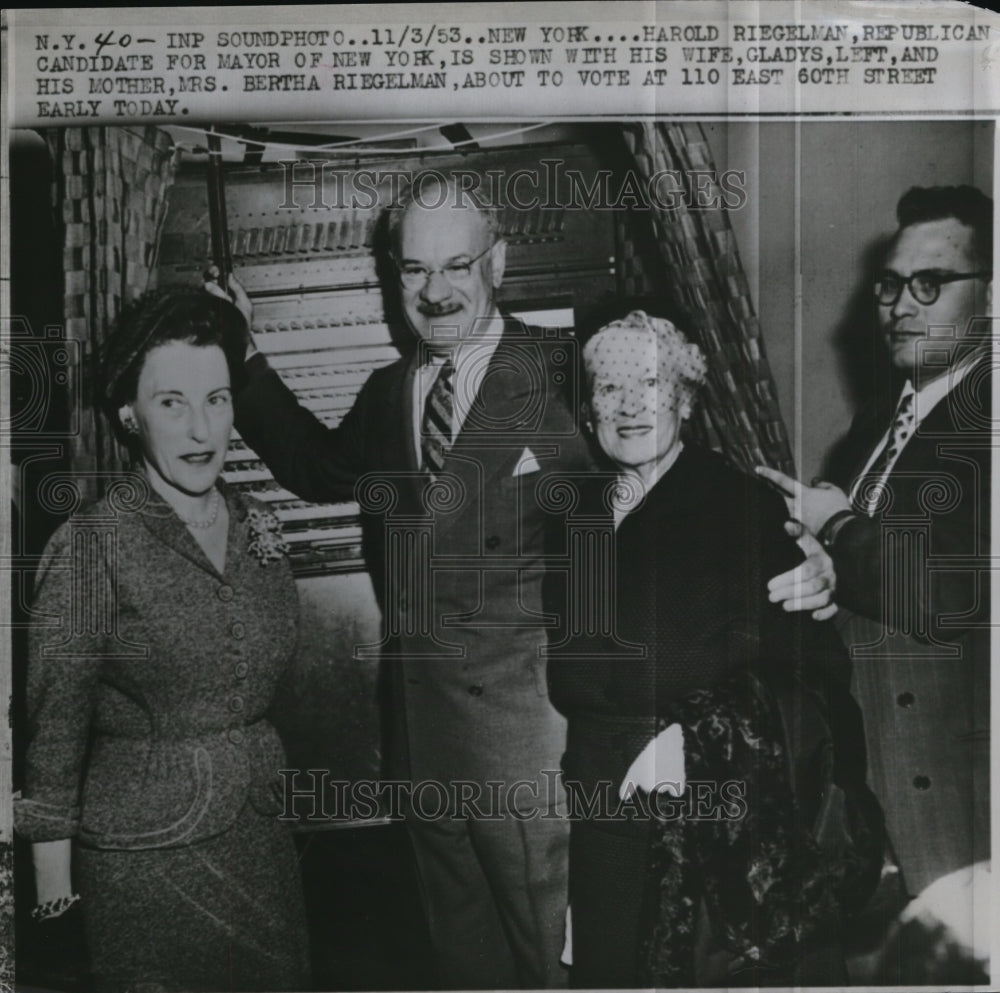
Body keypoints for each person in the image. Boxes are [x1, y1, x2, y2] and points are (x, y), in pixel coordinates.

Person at [212, 175, 593, 989]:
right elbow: (318, 469)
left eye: (457, 266)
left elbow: (643, 511)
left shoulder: (570, 377)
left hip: (530, 744)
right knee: (463, 959)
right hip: (421, 737)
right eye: (414, 270)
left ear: (499, 261)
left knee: (551, 959)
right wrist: (244, 357)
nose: (436, 292)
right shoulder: (392, 392)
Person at [547, 310, 880, 988]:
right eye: (609, 387)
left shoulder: (741, 507)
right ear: (589, 408)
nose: (630, 404)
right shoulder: (574, 516)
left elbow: (814, 676)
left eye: (651, 383)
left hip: (711, 819)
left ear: (687, 399)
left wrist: (699, 737)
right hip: (599, 816)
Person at [15, 288, 310, 992]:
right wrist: (57, 905)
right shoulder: (92, 545)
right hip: (145, 864)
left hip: (264, 846)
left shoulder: (257, 523)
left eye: (217, 399)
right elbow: (52, 736)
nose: (201, 427)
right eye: (172, 402)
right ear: (129, 413)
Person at [758, 185, 991, 902]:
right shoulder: (884, 416)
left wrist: (837, 525)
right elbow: (869, 573)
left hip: (956, 788)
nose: (900, 305)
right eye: (891, 285)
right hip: (873, 775)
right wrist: (825, 568)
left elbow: (949, 591)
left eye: (931, 283)